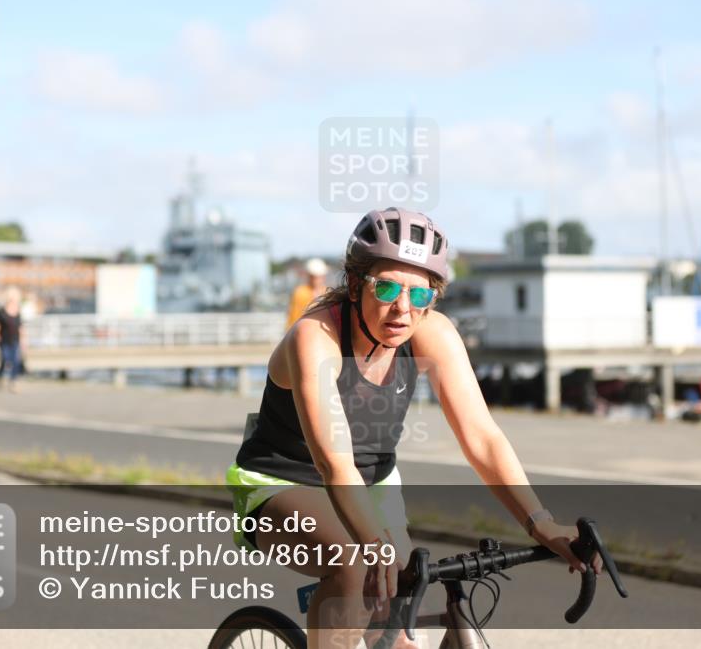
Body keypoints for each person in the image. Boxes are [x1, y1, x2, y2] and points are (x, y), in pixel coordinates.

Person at [227, 207, 602, 649]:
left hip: (374, 484)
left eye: (419, 295)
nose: (403, 308)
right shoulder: (315, 338)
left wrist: (540, 523)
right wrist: (371, 542)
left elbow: (482, 437)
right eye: (386, 287)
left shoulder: (432, 333)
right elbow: (334, 463)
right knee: (354, 564)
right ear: (353, 285)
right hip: (282, 482)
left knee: (400, 622)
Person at [0, 287, 26, 392]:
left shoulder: (18, 311)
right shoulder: (1, 311)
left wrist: (23, 341)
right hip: (4, 339)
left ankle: (13, 382)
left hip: (15, 339)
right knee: (5, 359)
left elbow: (21, 327)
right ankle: (0, 377)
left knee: (15, 361)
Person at [286, 257, 328, 329]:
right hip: (303, 330)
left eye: (318, 277)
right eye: (314, 277)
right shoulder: (300, 293)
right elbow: (294, 316)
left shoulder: (327, 293)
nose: (316, 280)